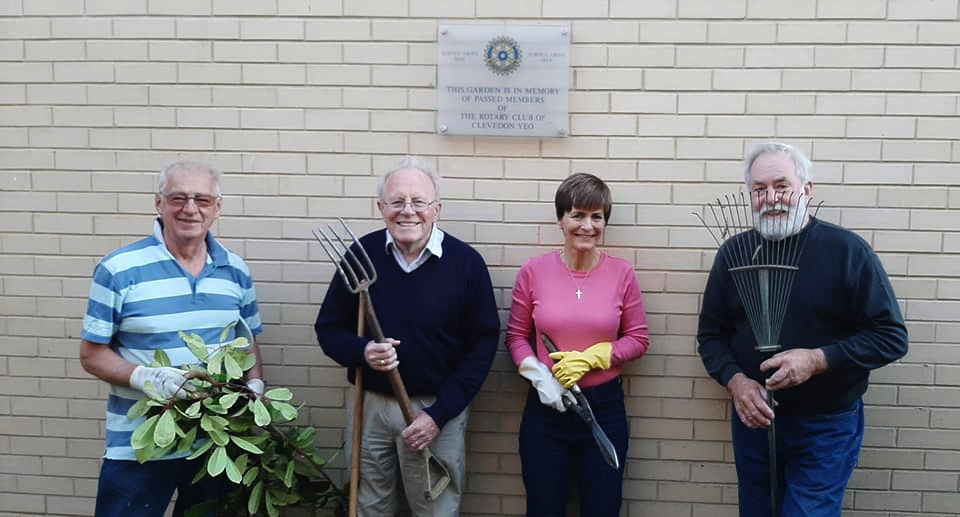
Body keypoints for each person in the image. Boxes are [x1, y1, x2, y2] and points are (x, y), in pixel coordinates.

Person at [697, 142, 909, 516]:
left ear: (806, 190)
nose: (771, 197)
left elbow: (890, 336)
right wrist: (736, 382)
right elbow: (712, 336)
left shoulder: (846, 252)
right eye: (759, 189)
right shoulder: (734, 254)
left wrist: (816, 359)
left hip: (826, 425)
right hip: (755, 420)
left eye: (782, 185)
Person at [314, 156, 500, 516]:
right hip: (370, 407)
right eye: (397, 202)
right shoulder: (361, 255)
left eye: (419, 202)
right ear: (381, 207)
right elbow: (329, 328)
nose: (408, 211)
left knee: (434, 507)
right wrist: (363, 351)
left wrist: (439, 414)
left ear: (437, 209)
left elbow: (482, 345)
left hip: (436, 409)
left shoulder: (465, 264)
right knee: (370, 504)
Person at [79, 160, 265, 517]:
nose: (190, 209)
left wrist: (255, 386)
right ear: (158, 203)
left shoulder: (235, 271)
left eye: (203, 200)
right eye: (178, 198)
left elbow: (248, 341)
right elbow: (91, 354)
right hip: (140, 445)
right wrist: (145, 377)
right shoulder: (119, 269)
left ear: (218, 207)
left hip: (214, 444)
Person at [505, 173, 650, 517]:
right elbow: (515, 337)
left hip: (604, 409)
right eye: (577, 215)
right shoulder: (534, 272)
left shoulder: (622, 273)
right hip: (547, 411)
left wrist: (598, 356)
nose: (587, 225)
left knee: (603, 508)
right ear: (561, 219)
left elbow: (639, 338)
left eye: (596, 217)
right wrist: (540, 378)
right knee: (543, 509)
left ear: (605, 222)